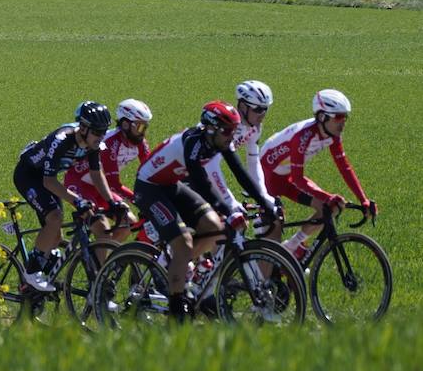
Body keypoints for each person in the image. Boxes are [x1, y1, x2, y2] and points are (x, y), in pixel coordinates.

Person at [134, 101, 278, 320]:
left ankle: (178, 270)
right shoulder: (193, 143)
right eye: (228, 131)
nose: (232, 136)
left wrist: (266, 203)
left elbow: (241, 174)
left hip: (171, 185)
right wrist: (228, 209)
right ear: (211, 129)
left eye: (234, 131)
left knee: (216, 227)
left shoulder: (219, 142)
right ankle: (176, 309)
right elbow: (202, 184)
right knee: (183, 243)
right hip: (149, 187)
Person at [12, 101, 118, 291]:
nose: (101, 137)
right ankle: (31, 272)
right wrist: (77, 201)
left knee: (56, 235)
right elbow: (48, 182)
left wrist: (111, 202)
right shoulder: (61, 140)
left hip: (47, 179)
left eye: (104, 132)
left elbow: (96, 173)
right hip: (28, 175)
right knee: (55, 218)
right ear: (83, 128)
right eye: (97, 132)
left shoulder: (93, 144)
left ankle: (37, 284)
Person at [260, 88, 374, 262]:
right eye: (338, 117)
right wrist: (327, 196)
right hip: (268, 179)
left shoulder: (332, 135)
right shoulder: (302, 137)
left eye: (345, 117)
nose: (343, 122)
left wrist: (363, 199)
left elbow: (345, 167)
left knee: (331, 207)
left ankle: (292, 247)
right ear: (322, 117)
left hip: (287, 177)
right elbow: (299, 179)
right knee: (272, 234)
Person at [63, 98, 152, 242]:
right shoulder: (110, 143)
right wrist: (140, 201)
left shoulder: (139, 142)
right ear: (125, 124)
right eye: (140, 127)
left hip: (100, 186)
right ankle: (99, 257)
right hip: (79, 183)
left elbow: (150, 170)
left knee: (128, 222)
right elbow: (113, 184)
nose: (143, 132)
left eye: (145, 127)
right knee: (102, 229)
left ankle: (109, 260)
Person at [206, 81, 276, 231]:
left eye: (265, 109)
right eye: (258, 109)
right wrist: (229, 200)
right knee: (220, 226)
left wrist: (262, 195)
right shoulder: (226, 126)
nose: (262, 114)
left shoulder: (255, 127)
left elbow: (253, 160)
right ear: (243, 106)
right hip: (191, 171)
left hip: (205, 172)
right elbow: (211, 165)